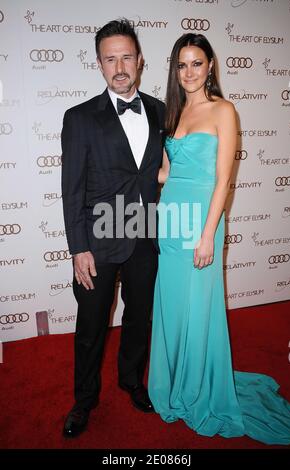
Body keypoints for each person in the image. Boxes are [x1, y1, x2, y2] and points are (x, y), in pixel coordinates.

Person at [148, 33, 290, 445]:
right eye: (182, 64)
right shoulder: (172, 114)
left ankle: (197, 390)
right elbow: (165, 173)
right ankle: (173, 381)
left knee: (199, 307)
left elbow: (224, 179)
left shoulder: (224, 111)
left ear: (210, 66)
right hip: (172, 218)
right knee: (173, 305)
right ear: (175, 70)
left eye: (197, 63)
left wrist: (209, 234)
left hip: (202, 222)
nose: (189, 72)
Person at [61, 19, 165, 438]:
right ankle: (84, 400)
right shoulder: (80, 117)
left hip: (147, 233)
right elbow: (71, 189)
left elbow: (164, 173)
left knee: (140, 316)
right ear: (100, 65)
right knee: (91, 326)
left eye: (126, 56)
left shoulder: (160, 110)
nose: (119, 66)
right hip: (98, 240)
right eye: (110, 59)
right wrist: (78, 247)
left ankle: (131, 381)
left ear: (140, 61)